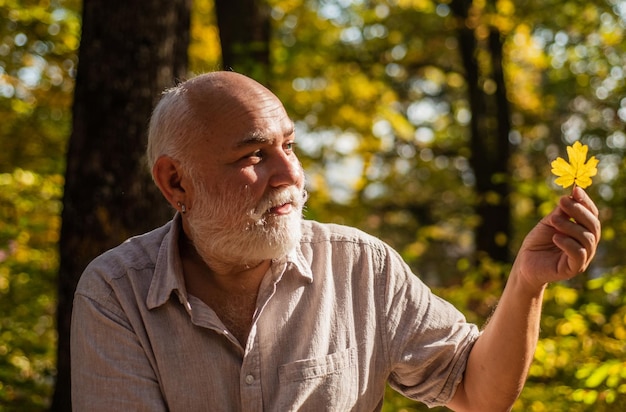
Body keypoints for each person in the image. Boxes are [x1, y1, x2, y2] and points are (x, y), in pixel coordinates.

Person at [70, 71, 601, 411]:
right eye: (254, 156)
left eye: (290, 147)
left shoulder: (363, 267)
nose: (290, 175)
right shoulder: (116, 294)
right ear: (175, 182)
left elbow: (477, 391)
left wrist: (526, 284)